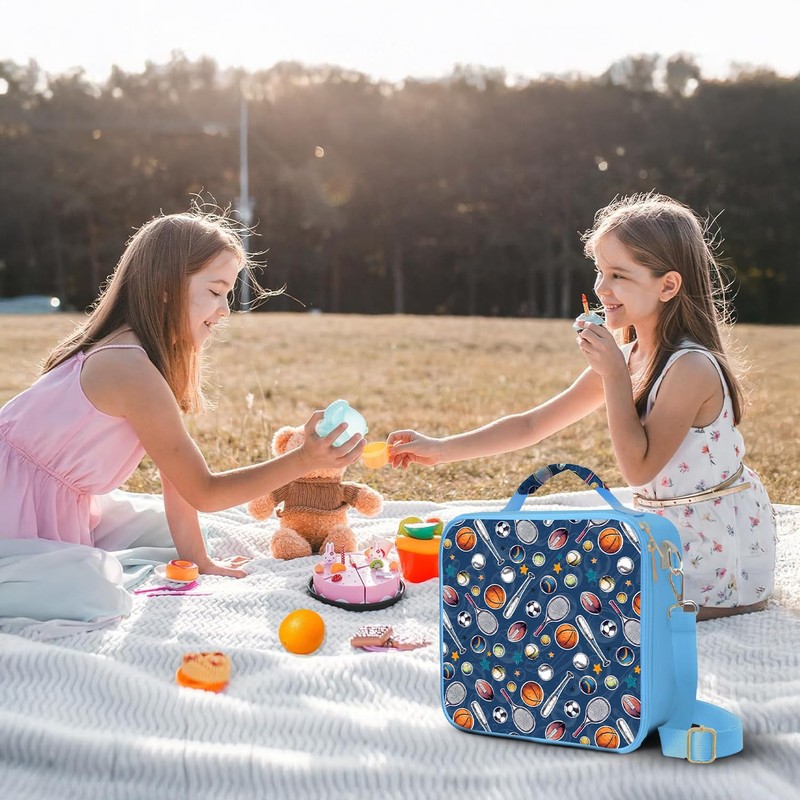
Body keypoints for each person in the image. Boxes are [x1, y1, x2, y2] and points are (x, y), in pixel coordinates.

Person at [388, 193, 776, 620]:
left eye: (618, 275)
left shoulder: (690, 367)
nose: (600, 288)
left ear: (667, 285)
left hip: (717, 556)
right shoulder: (628, 357)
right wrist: (440, 448)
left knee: (563, 603)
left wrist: (613, 376)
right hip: (667, 535)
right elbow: (532, 425)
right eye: (599, 271)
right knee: (543, 578)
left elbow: (639, 469)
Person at [0, 205, 366, 578]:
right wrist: (304, 459)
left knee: (166, 532)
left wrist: (200, 562)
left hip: (47, 502)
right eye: (215, 291)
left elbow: (179, 482)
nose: (224, 310)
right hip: (12, 513)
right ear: (165, 289)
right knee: (98, 591)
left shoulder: (140, 357)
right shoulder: (128, 368)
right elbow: (204, 492)